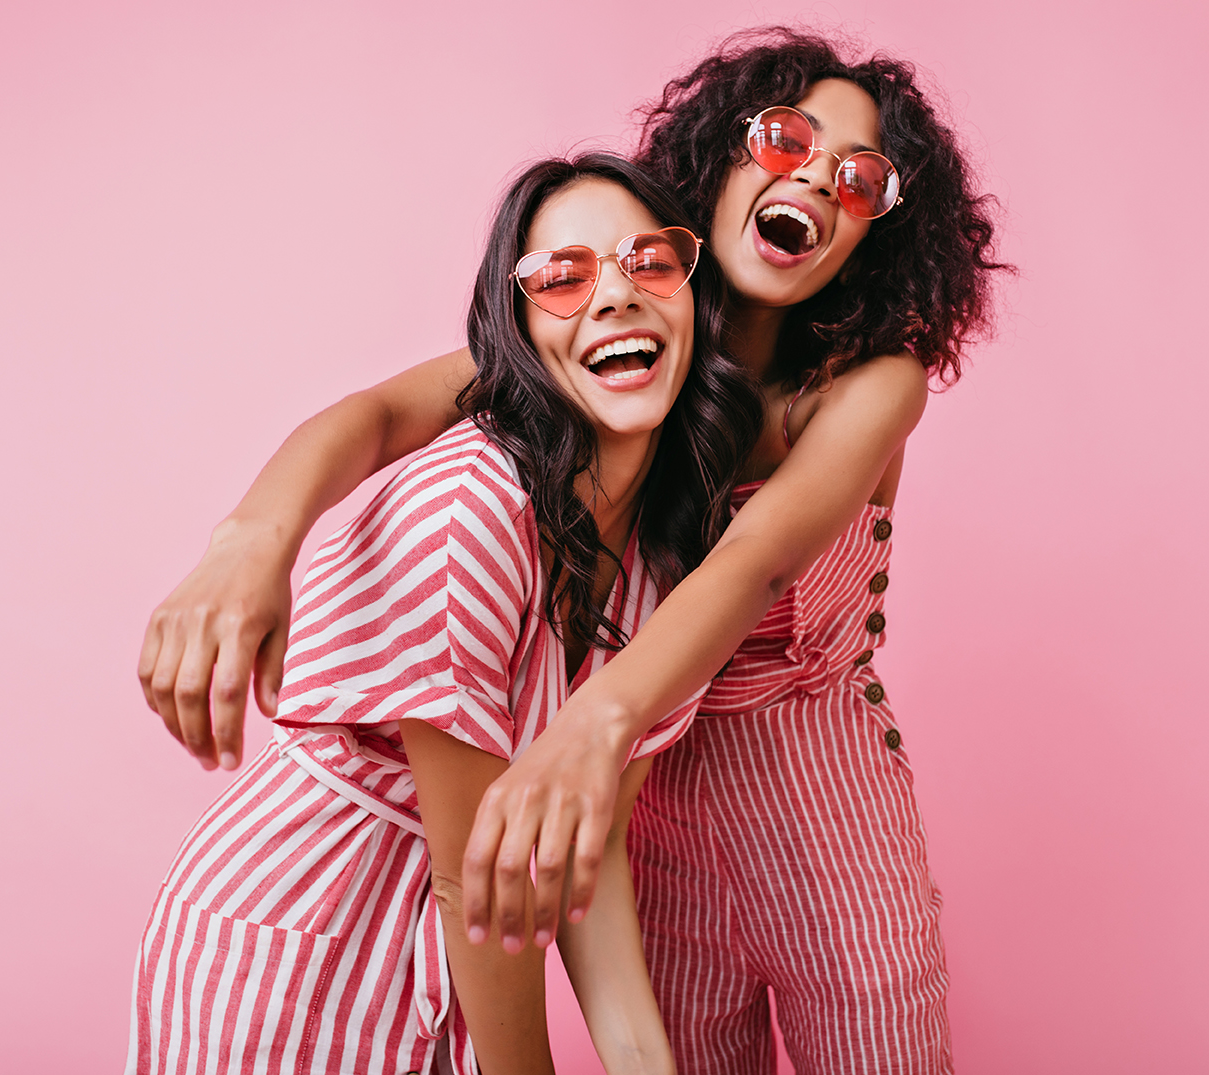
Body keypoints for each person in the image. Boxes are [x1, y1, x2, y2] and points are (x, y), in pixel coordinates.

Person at [138, 27, 1005, 1075]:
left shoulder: (834, 397)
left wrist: (591, 727)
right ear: (715, 167)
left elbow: (755, 565)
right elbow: (373, 415)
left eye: (859, 179)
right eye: (784, 140)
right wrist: (249, 542)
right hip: (609, 842)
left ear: (877, 226)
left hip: (802, 800)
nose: (816, 181)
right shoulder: (598, 346)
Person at [127, 153, 763, 1075]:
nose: (616, 294)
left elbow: (590, 851)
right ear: (516, 337)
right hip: (294, 952)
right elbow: (473, 873)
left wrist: (643, 1062)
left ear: (693, 299)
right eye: (563, 276)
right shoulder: (468, 511)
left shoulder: (675, 558)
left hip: (456, 963)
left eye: (648, 262)